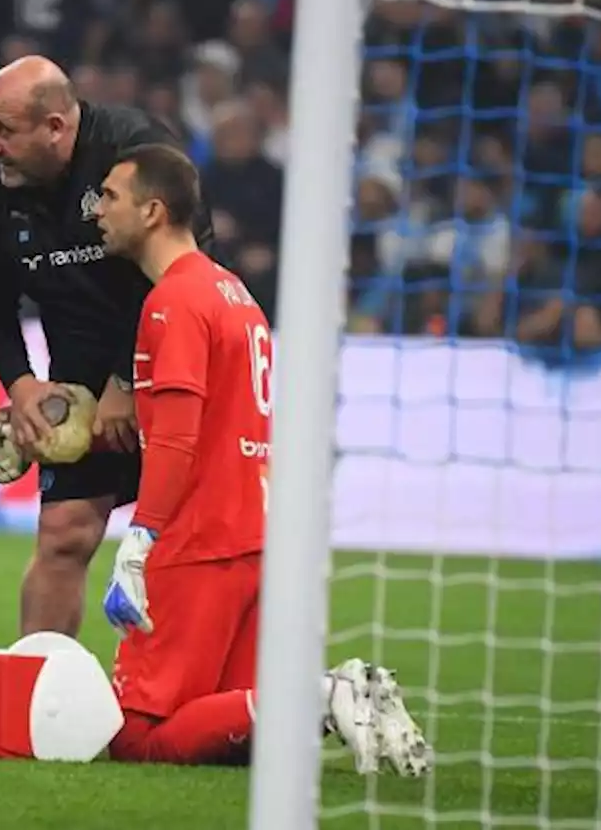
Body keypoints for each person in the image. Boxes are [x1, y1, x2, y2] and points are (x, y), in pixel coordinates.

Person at [93, 142, 433, 775]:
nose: (97, 211)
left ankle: (324, 693)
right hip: (254, 534)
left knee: (137, 740)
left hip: (198, 539)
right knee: (232, 727)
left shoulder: (172, 301)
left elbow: (176, 436)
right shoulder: (233, 291)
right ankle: (328, 694)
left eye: (110, 196)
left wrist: (141, 539)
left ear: (153, 211)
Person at [0, 55, 214, 638]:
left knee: (188, 542)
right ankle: (37, 692)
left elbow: (191, 262)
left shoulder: (136, 152)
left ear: (55, 126)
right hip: (75, 375)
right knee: (63, 534)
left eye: (4, 130)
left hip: (172, 363)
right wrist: (22, 386)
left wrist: (129, 379)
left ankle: (206, 704)